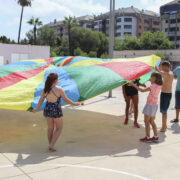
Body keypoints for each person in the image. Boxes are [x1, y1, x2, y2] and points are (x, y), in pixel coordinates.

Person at [33, 72, 80, 151]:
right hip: (56, 109)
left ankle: (50, 144)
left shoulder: (45, 89)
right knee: (59, 128)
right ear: (55, 80)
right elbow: (66, 99)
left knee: (50, 128)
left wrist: (37, 108)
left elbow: (41, 100)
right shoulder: (59, 89)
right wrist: (74, 104)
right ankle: (51, 145)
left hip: (48, 108)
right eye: (57, 79)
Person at [129, 72, 163, 143]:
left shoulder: (153, 86)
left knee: (146, 122)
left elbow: (142, 90)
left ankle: (147, 137)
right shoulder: (159, 85)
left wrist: (133, 85)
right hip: (155, 105)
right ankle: (155, 137)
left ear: (155, 78)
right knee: (152, 121)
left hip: (150, 105)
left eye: (151, 77)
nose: (150, 78)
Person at [155, 60, 174, 132]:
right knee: (164, 111)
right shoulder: (171, 73)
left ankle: (164, 127)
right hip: (167, 94)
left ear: (166, 67)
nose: (162, 68)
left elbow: (156, 69)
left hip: (165, 94)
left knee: (164, 112)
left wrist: (158, 61)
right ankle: (164, 125)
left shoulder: (167, 74)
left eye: (162, 67)